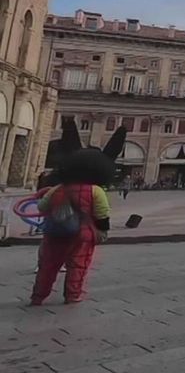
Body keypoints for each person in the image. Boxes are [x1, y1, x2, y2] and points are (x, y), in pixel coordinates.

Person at [29, 121, 124, 306]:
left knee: (47, 265)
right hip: (83, 235)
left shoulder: (58, 189)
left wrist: (58, 211)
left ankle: (38, 296)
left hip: (55, 233)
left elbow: (41, 207)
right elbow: (102, 214)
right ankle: (72, 295)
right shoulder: (96, 191)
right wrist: (103, 230)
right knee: (78, 266)